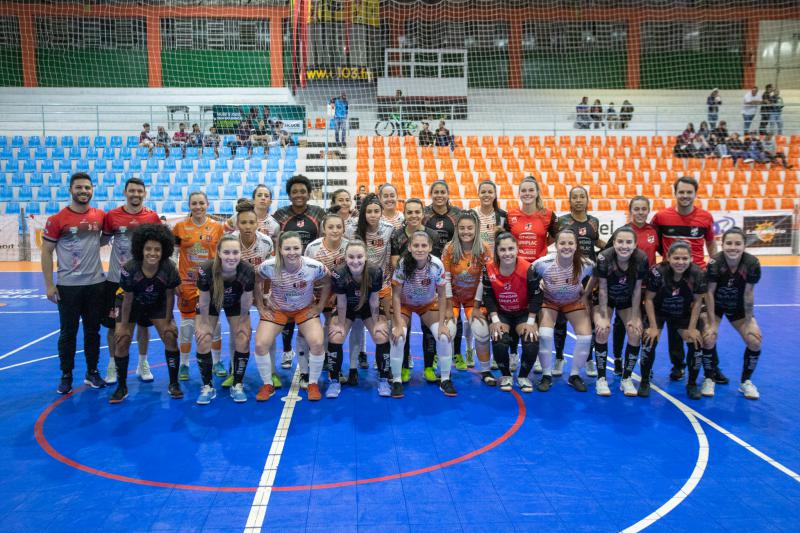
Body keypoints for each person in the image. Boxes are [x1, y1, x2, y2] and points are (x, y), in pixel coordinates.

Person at [651, 176, 722, 383]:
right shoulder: (661, 217)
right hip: (670, 278)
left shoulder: (705, 217)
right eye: (681, 192)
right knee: (674, 323)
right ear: (675, 193)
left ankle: (712, 367)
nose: (684, 196)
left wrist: (712, 267)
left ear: (695, 194)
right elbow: (654, 242)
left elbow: (711, 245)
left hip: (696, 279)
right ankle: (678, 366)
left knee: (703, 323)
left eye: (689, 192)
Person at [42, 172, 107, 394]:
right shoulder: (57, 219)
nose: (83, 191)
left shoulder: (100, 216)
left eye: (87, 188)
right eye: (79, 187)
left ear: (92, 190)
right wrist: (50, 285)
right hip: (68, 286)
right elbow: (46, 252)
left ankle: (92, 372)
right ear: (70, 189)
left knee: (93, 331)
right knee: (68, 332)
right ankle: (66, 375)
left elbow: (106, 237)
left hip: (95, 284)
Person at [254, 231, 331, 401]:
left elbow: (328, 281)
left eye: (296, 248)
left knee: (317, 343)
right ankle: (267, 384)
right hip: (278, 309)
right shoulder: (269, 266)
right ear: (279, 249)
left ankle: (312, 383)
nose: (292, 252)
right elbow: (256, 280)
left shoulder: (313, 266)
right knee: (260, 345)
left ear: (302, 248)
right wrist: (260, 304)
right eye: (287, 248)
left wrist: (320, 306)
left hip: (304, 309)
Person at [111, 224, 182, 403]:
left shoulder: (169, 267)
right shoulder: (130, 267)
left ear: (164, 250)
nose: (153, 253)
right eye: (148, 248)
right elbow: (127, 299)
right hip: (131, 304)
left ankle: (174, 383)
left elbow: (169, 295)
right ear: (140, 249)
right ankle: (121, 386)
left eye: (157, 249)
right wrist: (124, 326)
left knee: (170, 336)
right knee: (122, 339)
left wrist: (168, 321)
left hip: (156, 302)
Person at [102, 177, 160, 386]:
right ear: (125, 192)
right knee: (113, 326)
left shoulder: (152, 217)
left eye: (139, 191)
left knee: (144, 326)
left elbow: (159, 248)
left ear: (144, 193)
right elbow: (100, 240)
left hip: (143, 282)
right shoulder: (112, 216)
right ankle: (113, 365)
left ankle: (143, 363)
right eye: (132, 191)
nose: (135, 194)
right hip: (116, 280)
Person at [390, 231, 456, 397]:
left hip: (427, 304)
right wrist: (398, 324)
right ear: (410, 247)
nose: (420, 249)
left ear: (430, 247)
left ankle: (446, 379)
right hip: (405, 304)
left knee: (443, 336)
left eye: (424, 245)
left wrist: (442, 324)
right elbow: (396, 295)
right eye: (416, 245)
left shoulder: (437, 265)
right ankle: (396, 380)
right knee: (398, 337)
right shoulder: (403, 264)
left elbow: (441, 295)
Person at [641, 241, 709, 400]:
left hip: (683, 313)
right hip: (659, 311)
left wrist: (692, 328)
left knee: (696, 341)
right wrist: (652, 326)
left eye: (685, 258)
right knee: (649, 340)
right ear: (668, 258)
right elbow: (649, 299)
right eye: (676, 258)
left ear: (691, 259)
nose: (680, 262)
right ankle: (645, 381)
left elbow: (698, 301)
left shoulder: (697, 273)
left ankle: (692, 383)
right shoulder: (657, 272)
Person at [272, 175, 327, 369]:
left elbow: (326, 236)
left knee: (308, 312)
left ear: (309, 193)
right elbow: (272, 237)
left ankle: (314, 351)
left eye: (303, 191)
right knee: (287, 311)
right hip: (286, 271)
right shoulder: (280, 215)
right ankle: (287, 351)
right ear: (289, 194)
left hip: (310, 272)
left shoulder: (319, 213)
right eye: (294, 191)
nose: (299, 195)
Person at [702, 228, 763, 400]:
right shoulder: (715, 262)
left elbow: (749, 293)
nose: (733, 247)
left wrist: (750, 321)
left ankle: (746, 382)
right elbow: (710, 293)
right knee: (708, 337)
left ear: (744, 245)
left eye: (738, 244)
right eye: (729, 243)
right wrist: (712, 323)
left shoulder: (752, 264)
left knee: (755, 340)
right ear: (723, 244)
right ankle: (709, 378)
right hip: (716, 306)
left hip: (738, 309)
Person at [194, 235, 254, 404]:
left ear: (241, 253)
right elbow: (204, 300)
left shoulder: (247, 270)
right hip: (211, 303)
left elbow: (247, 300)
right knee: (203, 339)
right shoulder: (206, 270)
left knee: (243, 337)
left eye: (235, 252)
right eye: (226, 252)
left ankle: (238, 384)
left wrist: (243, 322)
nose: (231, 256)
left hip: (236, 303)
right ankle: (207, 386)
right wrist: (204, 324)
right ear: (218, 253)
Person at [172, 191, 225, 382]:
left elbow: (221, 256)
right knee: (187, 327)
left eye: (201, 203)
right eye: (194, 203)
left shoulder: (216, 228)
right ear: (189, 205)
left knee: (215, 325)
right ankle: (184, 365)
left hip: (210, 285)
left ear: (207, 204)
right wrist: (174, 279)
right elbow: (173, 255)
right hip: (186, 283)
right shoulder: (179, 227)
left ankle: (217, 361)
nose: (198, 206)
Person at [534, 229, 594, 392]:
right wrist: (538, 284)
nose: (566, 247)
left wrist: (587, 293)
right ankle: (546, 375)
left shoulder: (586, 264)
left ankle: (574, 375)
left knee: (586, 337)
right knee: (545, 335)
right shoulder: (543, 263)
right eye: (562, 243)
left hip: (573, 301)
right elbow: (530, 276)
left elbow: (597, 275)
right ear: (556, 245)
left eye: (570, 243)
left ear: (576, 246)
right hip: (550, 301)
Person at [553, 185, 604, 376]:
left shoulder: (594, 222)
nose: (578, 200)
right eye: (575, 197)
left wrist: (611, 249)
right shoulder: (563, 221)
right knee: (561, 317)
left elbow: (596, 241)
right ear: (569, 200)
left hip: (587, 276)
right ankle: (559, 357)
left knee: (588, 316)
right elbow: (553, 241)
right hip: (566, 273)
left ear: (587, 199)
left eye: (582, 196)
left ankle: (589, 359)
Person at [329, 240, 392, 397]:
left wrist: (377, 322)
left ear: (366, 257)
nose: (355, 261)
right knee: (336, 336)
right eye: (351, 257)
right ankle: (334, 381)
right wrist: (341, 325)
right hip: (348, 308)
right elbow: (341, 303)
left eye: (359, 256)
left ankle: (384, 379)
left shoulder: (375, 272)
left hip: (367, 308)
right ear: (345, 257)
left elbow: (374, 300)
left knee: (381, 335)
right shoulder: (338, 273)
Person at [482, 232, 543, 392]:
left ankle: (523, 376)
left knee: (531, 340)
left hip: (523, 313)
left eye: (511, 249)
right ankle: (506, 375)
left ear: (517, 250)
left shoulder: (529, 269)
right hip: (502, 313)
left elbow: (536, 297)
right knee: (499, 338)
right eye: (503, 250)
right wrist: (495, 320)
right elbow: (488, 296)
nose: (507, 253)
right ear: (497, 252)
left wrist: (531, 322)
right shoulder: (488, 269)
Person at [230, 199, 279, 396]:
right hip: (237, 292)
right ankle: (234, 371)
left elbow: (270, 270)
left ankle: (272, 371)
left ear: (257, 223)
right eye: (243, 223)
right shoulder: (231, 241)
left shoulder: (266, 242)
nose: (248, 226)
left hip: (261, 291)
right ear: (237, 224)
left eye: (251, 222)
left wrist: (266, 295)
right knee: (237, 332)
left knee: (269, 328)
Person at [592, 227, 648, 397]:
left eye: (629, 242)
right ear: (614, 243)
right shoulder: (604, 257)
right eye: (620, 242)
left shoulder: (641, 258)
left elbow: (638, 290)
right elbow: (602, 288)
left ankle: (626, 378)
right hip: (605, 299)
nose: (624, 246)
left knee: (635, 332)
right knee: (602, 330)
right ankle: (601, 379)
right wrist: (602, 317)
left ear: (635, 244)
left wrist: (635, 317)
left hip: (626, 300)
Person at [390, 198, 440, 382]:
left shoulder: (432, 235)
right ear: (404, 213)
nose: (413, 215)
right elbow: (395, 263)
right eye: (409, 212)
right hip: (404, 291)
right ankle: (403, 368)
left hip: (427, 291)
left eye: (417, 212)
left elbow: (436, 264)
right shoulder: (397, 235)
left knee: (429, 330)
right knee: (404, 330)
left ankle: (428, 367)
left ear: (423, 213)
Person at [345, 194, 395, 374]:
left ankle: (383, 362)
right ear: (363, 213)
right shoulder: (352, 229)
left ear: (382, 212)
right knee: (357, 325)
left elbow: (391, 255)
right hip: (357, 285)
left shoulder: (389, 229)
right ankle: (354, 365)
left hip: (381, 285)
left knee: (384, 325)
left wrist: (388, 279)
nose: (373, 215)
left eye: (376, 211)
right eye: (369, 211)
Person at [610, 196, 659, 374]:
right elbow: (609, 253)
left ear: (648, 210)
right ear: (630, 211)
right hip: (626, 286)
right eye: (636, 209)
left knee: (644, 325)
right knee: (621, 323)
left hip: (648, 286)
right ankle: (617, 359)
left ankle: (645, 364)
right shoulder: (623, 231)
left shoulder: (654, 231)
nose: (640, 212)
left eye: (643, 209)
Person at [442, 211, 493, 371]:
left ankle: (485, 370)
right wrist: (449, 307)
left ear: (476, 228)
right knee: (446, 332)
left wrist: (477, 307)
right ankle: (445, 373)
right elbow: (445, 280)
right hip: (453, 299)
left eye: (470, 228)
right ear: (457, 229)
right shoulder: (449, 248)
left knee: (482, 332)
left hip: (473, 300)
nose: (466, 231)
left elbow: (484, 280)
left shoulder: (484, 248)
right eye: (462, 228)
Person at [305, 212, 348, 387]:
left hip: (338, 293)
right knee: (309, 328)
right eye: (331, 227)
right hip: (314, 293)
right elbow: (305, 273)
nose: (335, 230)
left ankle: (333, 366)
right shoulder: (313, 248)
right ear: (324, 229)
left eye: (339, 227)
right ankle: (311, 364)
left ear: (344, 228)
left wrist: (337, 295)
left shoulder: (347, 246)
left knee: (333, 327)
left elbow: (350, 274)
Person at [504, 176, 557, 263]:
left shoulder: (548, 215)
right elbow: (505, 240)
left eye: (531, 190)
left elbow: (555, 236)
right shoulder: (510, 215)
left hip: (540, 265)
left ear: (537, 193)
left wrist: (542, 245)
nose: (527, 193)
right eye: (523, 190)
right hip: (516, 265)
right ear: (519, 194)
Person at [424, 180, 461, 258]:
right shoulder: (424, 213)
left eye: (443, 192)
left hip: (452, 258)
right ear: (431, 194)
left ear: (448, 194)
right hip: (428, 259)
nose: (439, 195)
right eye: (436, 192)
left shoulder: (457, 213)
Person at [473, 180, 507, 250]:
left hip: (495, 258)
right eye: (483, 192)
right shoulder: (472, 213)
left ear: (495, 195)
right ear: (478, 194)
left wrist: (503, 232)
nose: (486, 195)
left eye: (490, 192)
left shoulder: (502, 215)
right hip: (476, 257)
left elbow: (507, 239)